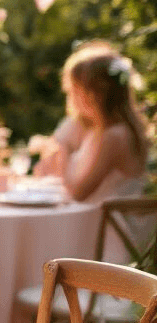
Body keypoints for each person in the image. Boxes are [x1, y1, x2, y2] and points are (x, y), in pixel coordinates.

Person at [36, 41, 150, 202]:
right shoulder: (99, 130)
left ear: (94, 94)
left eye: (74, 90)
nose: (70, 97)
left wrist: (64, 150)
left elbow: (78, 193)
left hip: (107, 225)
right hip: (93, 220)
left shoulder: (114, 136)